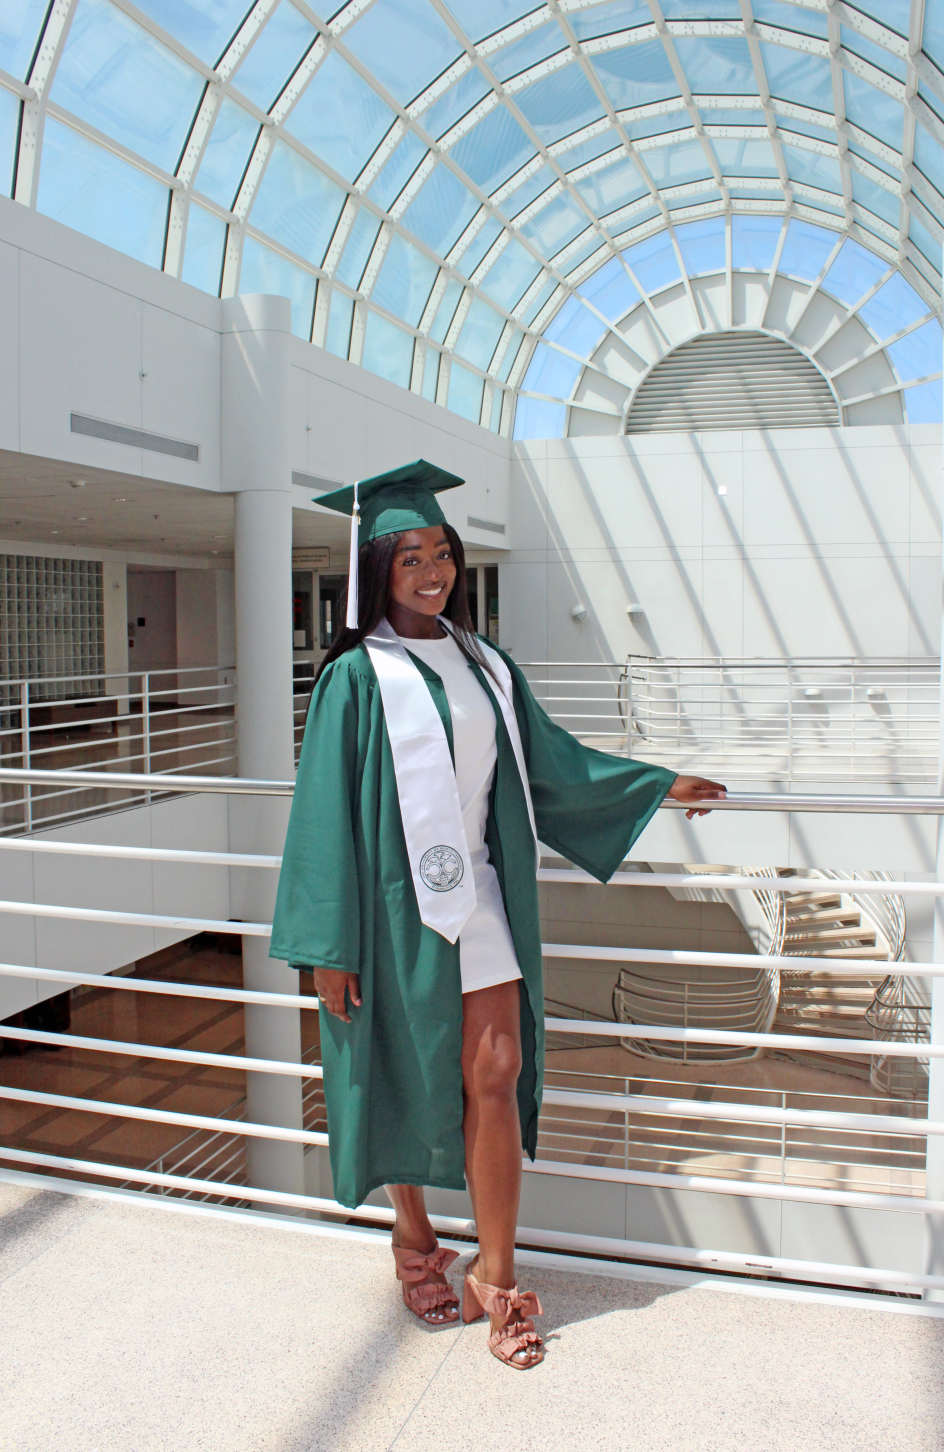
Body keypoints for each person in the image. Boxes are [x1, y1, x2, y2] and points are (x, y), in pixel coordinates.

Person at [269, 460, 725, 1370]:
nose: (432, 573)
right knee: (402, 1069)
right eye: (410, 559)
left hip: (478, 895)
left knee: (497, 1070)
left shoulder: (487, 665)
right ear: (377, 570)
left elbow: (550, 764)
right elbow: (321, 811)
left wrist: (653, 785)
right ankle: (413, 1241)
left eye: (441, 554)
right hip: (388, 909)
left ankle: (499, 1277)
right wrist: (326, 943)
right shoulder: (355, 678)